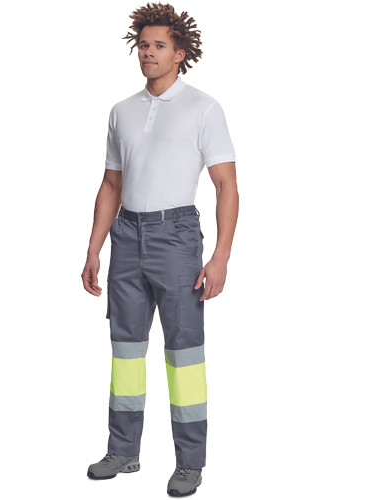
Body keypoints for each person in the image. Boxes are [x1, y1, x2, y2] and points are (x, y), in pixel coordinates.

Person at [82, 2, 239, 496]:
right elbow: (111, 185)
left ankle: (189, 462)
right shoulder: (121, 111)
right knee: (126, 350)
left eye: (159, 46)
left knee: (183, 353)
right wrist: (94, 249)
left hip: (176, 237)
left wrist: (220, 257)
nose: (148, 53)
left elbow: (226, 186)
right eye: (143, 45)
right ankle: (123, 450)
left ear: (180, 53)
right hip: (126, 236)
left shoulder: (203, 108)